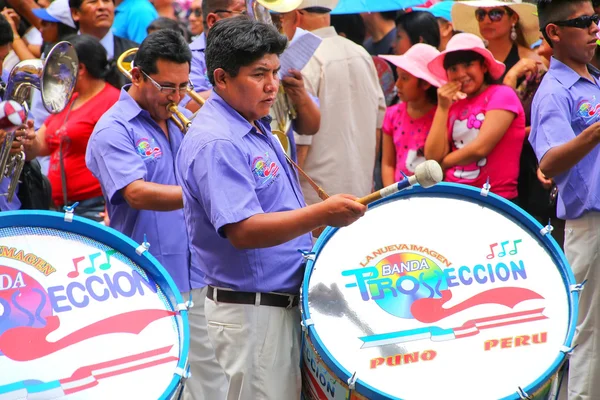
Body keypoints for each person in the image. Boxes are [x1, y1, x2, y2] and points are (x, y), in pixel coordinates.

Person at [175, 17, 366, 400]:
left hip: (276, 307)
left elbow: (277, 209)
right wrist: (322, 214)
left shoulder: (254, 124)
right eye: (259, 74)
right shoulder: (218, 141)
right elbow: (244, 231)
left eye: (275, 72)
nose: (272, 85)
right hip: (253, 315)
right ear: (222, 78)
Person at [85, 30, 227, 400]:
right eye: (167, 86)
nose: (178, 97)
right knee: (164, 381)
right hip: (152, 277)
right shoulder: (113, 128)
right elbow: (135, 193)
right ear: (136, 76)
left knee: (211, 378)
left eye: (183, 86)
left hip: (201, 268)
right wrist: (204, 196)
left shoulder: (179, 114)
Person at [530, 0, 600, 398]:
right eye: (583, 22)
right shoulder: (553, 91)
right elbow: (550, 160)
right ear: (554, 33)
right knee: (586, 333)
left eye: (595, 19)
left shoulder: (593, 78)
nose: (594, 28)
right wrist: (594, 132)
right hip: (589, 224)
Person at [22, 34, 119, 220]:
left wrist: (112, 207)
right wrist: (28, 138)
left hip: (95, 207)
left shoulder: (112, 101)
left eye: (59, 67)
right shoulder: (70, 100)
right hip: (60, 207)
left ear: (80, 68)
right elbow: (41, 147)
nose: (54, 73)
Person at [425, 33, 526, 202]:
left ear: (484, 67)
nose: (461, 73)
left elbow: (480, 148)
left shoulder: (502, 94)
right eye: (453, 69)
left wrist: (443, 164)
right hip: (453, 195)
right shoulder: (453, 106)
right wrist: (442, 107)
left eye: (468, 65)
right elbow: (432, 156)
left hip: (495, 198)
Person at [379, 44, 443, 187]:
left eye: (405, 78)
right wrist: (391, 194)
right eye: (398, 76)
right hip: (400, 195)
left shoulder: (441, 116)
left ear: (425, 83)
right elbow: (388, 163)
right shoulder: (392, 114)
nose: (397, 84)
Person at [451, 0, 542, 85]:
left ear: (513, 18)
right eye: (481, 14)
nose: (486, 21)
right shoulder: (471, 58)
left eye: (495, 14)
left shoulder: (530, 61)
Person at [69, 0, 138, 87]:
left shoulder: (135, 53)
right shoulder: (62, 55)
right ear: (75, 13)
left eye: (106, 0)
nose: (102, 7)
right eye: (93, 1)